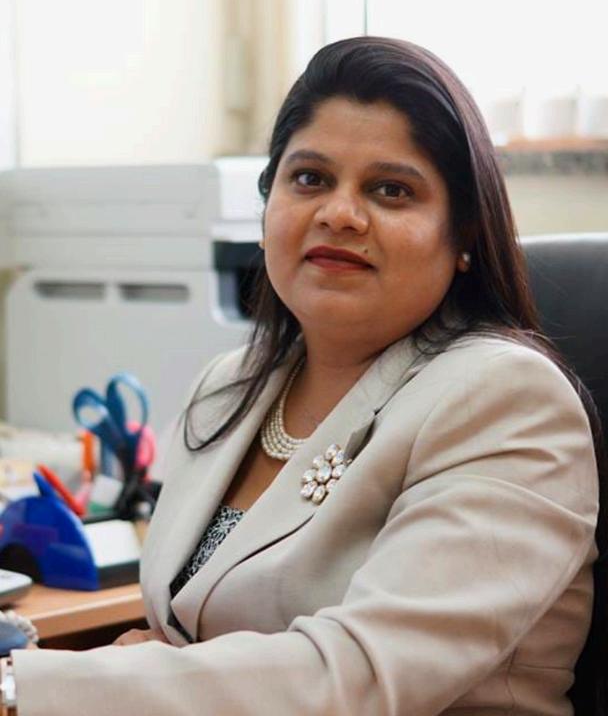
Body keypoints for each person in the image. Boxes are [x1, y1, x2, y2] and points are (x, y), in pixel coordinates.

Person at [2, 36, 606, 716]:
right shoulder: (228, 388)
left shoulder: (507, 401)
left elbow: (358, 675)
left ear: (463, 234)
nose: (338, 213)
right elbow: (185, 630)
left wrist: (28, 686)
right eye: (311, 178)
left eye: (391, 190)